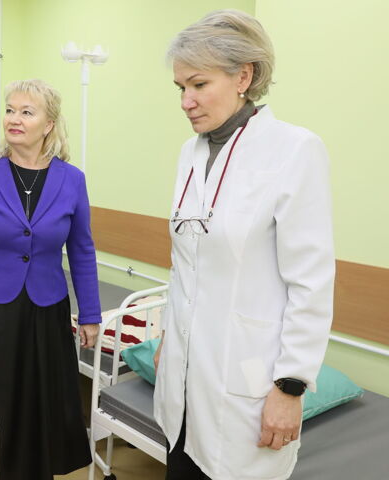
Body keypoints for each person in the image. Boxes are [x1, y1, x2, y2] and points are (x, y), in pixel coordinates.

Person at [153, 10, 335, 480]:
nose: (186, 102)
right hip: (184, 375)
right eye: (180, 88)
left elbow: (311, 283)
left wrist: (290, 387)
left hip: (251, 381)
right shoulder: (190, 153)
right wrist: (169, 334)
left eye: (199, 84)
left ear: (243, 77)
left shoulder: (294, 150)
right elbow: (185, 261)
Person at [0, 79, 101, 480]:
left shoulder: (72, 179)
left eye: (26, 112)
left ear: (48, 124)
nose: (14, 118)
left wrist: (90, 314)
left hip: (46, 307)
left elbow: (82, 249)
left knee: (39, 397)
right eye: (10, 110)